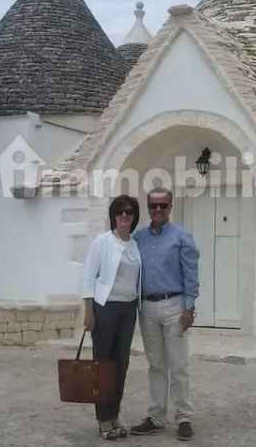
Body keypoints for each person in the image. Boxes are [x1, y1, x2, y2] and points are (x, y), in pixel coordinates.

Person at [130, 188, 200, 442]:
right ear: (148, 207)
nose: (158, 210)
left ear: (171, 206)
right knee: (156, 365)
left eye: (163, 205)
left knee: (179, 365)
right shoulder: (138, 238)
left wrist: (189, 308)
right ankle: (156, 417)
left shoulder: (182, 237)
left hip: (175, 305)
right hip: (146, 307)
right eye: (153, 206)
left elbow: (191, 274)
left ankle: (183, 417)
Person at [81, 194, 142, 440]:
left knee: (121, 364)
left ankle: (114, 413)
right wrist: (88, 311)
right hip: (105, 308)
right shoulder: (102, 241)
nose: (125, 216)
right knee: (103, 364)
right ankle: (103, 419)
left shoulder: (135, 244)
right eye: (120, 212)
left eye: (129, 212)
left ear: (134, 217)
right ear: (114, 216)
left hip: (129, 310)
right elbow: (88, 276)